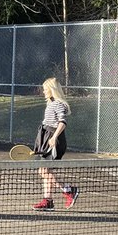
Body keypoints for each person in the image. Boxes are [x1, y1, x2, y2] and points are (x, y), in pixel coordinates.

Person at [32, 77, 79, 211]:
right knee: (46, 170)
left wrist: (54, 138)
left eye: (46, 89)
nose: (44, 91)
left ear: (52, 90)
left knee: (43, 170)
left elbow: (62, 122)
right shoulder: (51, 103)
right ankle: (48, 201)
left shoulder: (58, 103)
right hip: (47, 139)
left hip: (55, 141)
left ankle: (69, 190)